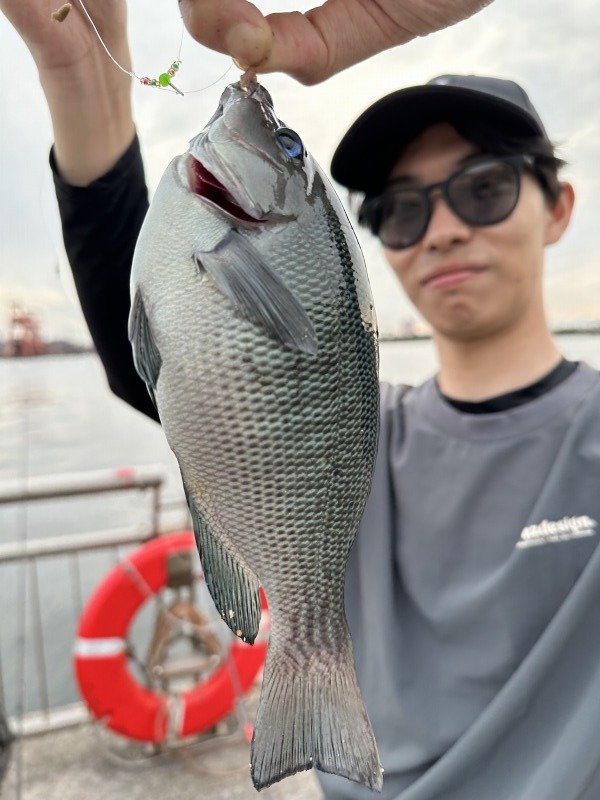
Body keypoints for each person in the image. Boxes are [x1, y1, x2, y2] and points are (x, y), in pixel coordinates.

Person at [4, 3, 600, 800]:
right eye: (402, 209)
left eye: (484, 189)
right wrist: (80, 73)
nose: (445, 229)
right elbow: (153, 355)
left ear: (558, 208)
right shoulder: (360, 436)